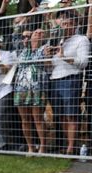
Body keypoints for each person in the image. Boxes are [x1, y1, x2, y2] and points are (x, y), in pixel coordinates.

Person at [47, 9, 89, 155]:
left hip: (71, 78)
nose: (64, 26)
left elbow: (83, 62)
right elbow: (49, 65)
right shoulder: (57, 40)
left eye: (67, 23)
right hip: (54, 80)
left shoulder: (81, 39)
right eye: (62, 23)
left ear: (74, 24)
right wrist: (47, 56)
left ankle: (71, 147)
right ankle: (68, 143)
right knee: (61, 115)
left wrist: (65, 57)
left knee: (71, 114)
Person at [14, 28, 49, 153]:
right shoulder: (23, 50)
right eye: (36, 33)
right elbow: (14, 35)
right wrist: (24, 35)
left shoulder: (45, 48)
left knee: (38, 118)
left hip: (37, 88)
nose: (39, 34)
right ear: (31, 36)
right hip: (20, 87)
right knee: (25, 119)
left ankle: (43, 146)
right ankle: (30, 146)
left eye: (42, 33)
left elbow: (47, 64)